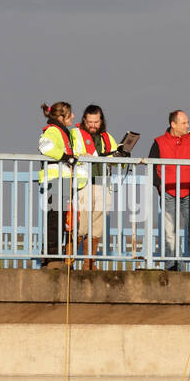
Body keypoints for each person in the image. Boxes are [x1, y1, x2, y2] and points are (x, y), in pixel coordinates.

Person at [149, 110, 190, 271]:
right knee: (170, 232)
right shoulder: (159, 142)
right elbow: (153, 167)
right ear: (173, 124)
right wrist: (160, 186)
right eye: (184, 123)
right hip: (168, 192)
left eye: (187, 122)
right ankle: (174, 265)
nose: (188, 125)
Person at [38, 102, 90, 266]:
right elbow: (45, 146)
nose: (73, 116)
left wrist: (76, 156)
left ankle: (53, 256)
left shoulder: (63, 132)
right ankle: (51, 257)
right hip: (55, 180)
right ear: (61, 117)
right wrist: (65, 157)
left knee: (61, 220)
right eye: (70, 114)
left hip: (63, 181)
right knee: (55, 220)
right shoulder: (53, 130)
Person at [77, 105, 124, 269]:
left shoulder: (106, 137)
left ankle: (89, 264)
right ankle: (68, 262)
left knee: (96, 228)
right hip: (83, 184)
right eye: (90, 121)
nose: (93, 125)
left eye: (96, 122)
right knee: (79, 225)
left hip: (103, 184)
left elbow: (114, 159)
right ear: (84, 120)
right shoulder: (76, 134)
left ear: (101, 121)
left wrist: (122, 156)